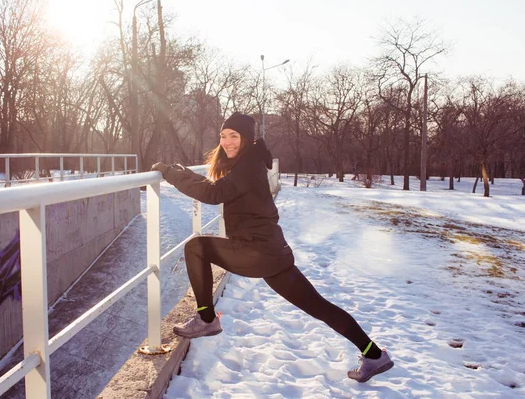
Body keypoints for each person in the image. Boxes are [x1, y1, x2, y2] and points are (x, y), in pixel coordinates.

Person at [151, 112, 394, 383]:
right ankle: (374, 355)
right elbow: (218, 188)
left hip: (256, 251)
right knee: (320, 307)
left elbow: (213, 194)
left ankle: (207, 319)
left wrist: (169, 174)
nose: (227, 142)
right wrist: (183, 173)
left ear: (247, 139)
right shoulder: (247, 162)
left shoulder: (249, 165)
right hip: (271, 253)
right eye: (223, 136)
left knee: (196, 248)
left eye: (234, 136)